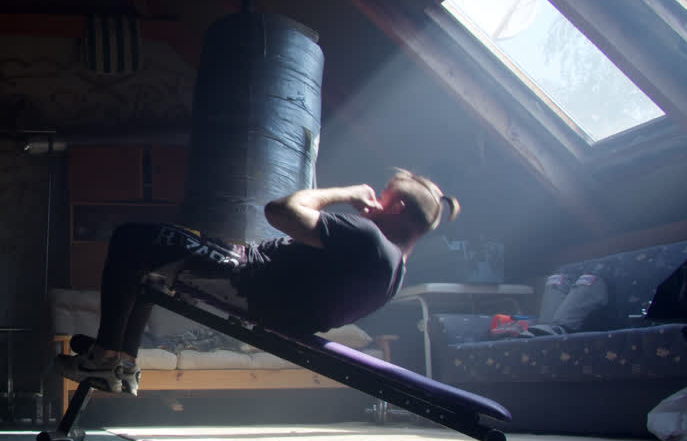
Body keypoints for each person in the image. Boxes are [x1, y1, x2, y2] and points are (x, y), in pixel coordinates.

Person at [54, 168, 459, 396]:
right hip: (267, 300)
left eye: (382, 196)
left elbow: (280, 211)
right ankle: (121, 361)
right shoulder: (395, 271)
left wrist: (346, 193)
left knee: (130, 238)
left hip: (245, 279)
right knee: (149, 268)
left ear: (397, 208)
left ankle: (106, 359)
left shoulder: (370, 239)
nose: (372, 203)